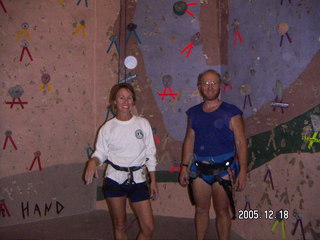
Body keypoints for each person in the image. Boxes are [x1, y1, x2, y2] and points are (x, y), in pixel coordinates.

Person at [179, 70, 247, 240]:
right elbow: (189, 139)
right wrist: (184, 167)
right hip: (200, 170)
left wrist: (243, 171)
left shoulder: (231, 112)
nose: (209, 87)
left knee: (222, 211)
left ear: (220, 86)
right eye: (205, 83)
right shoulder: (193, 113)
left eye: (213, 83)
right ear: (199, 87)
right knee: (201, 210)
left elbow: (241, 142)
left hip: (224, 170)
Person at [84, 83, 159, 240]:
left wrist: (153, 181)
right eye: (121, 98)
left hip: (138, 180)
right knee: (120, 225)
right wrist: (93, 162)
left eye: (129, 98)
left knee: (149, 227)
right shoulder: (108, 128)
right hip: (114, 180)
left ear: (133, 101)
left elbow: (150, 154)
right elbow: (101, 153)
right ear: (114, 102)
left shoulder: (142, 124)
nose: (126, 102)